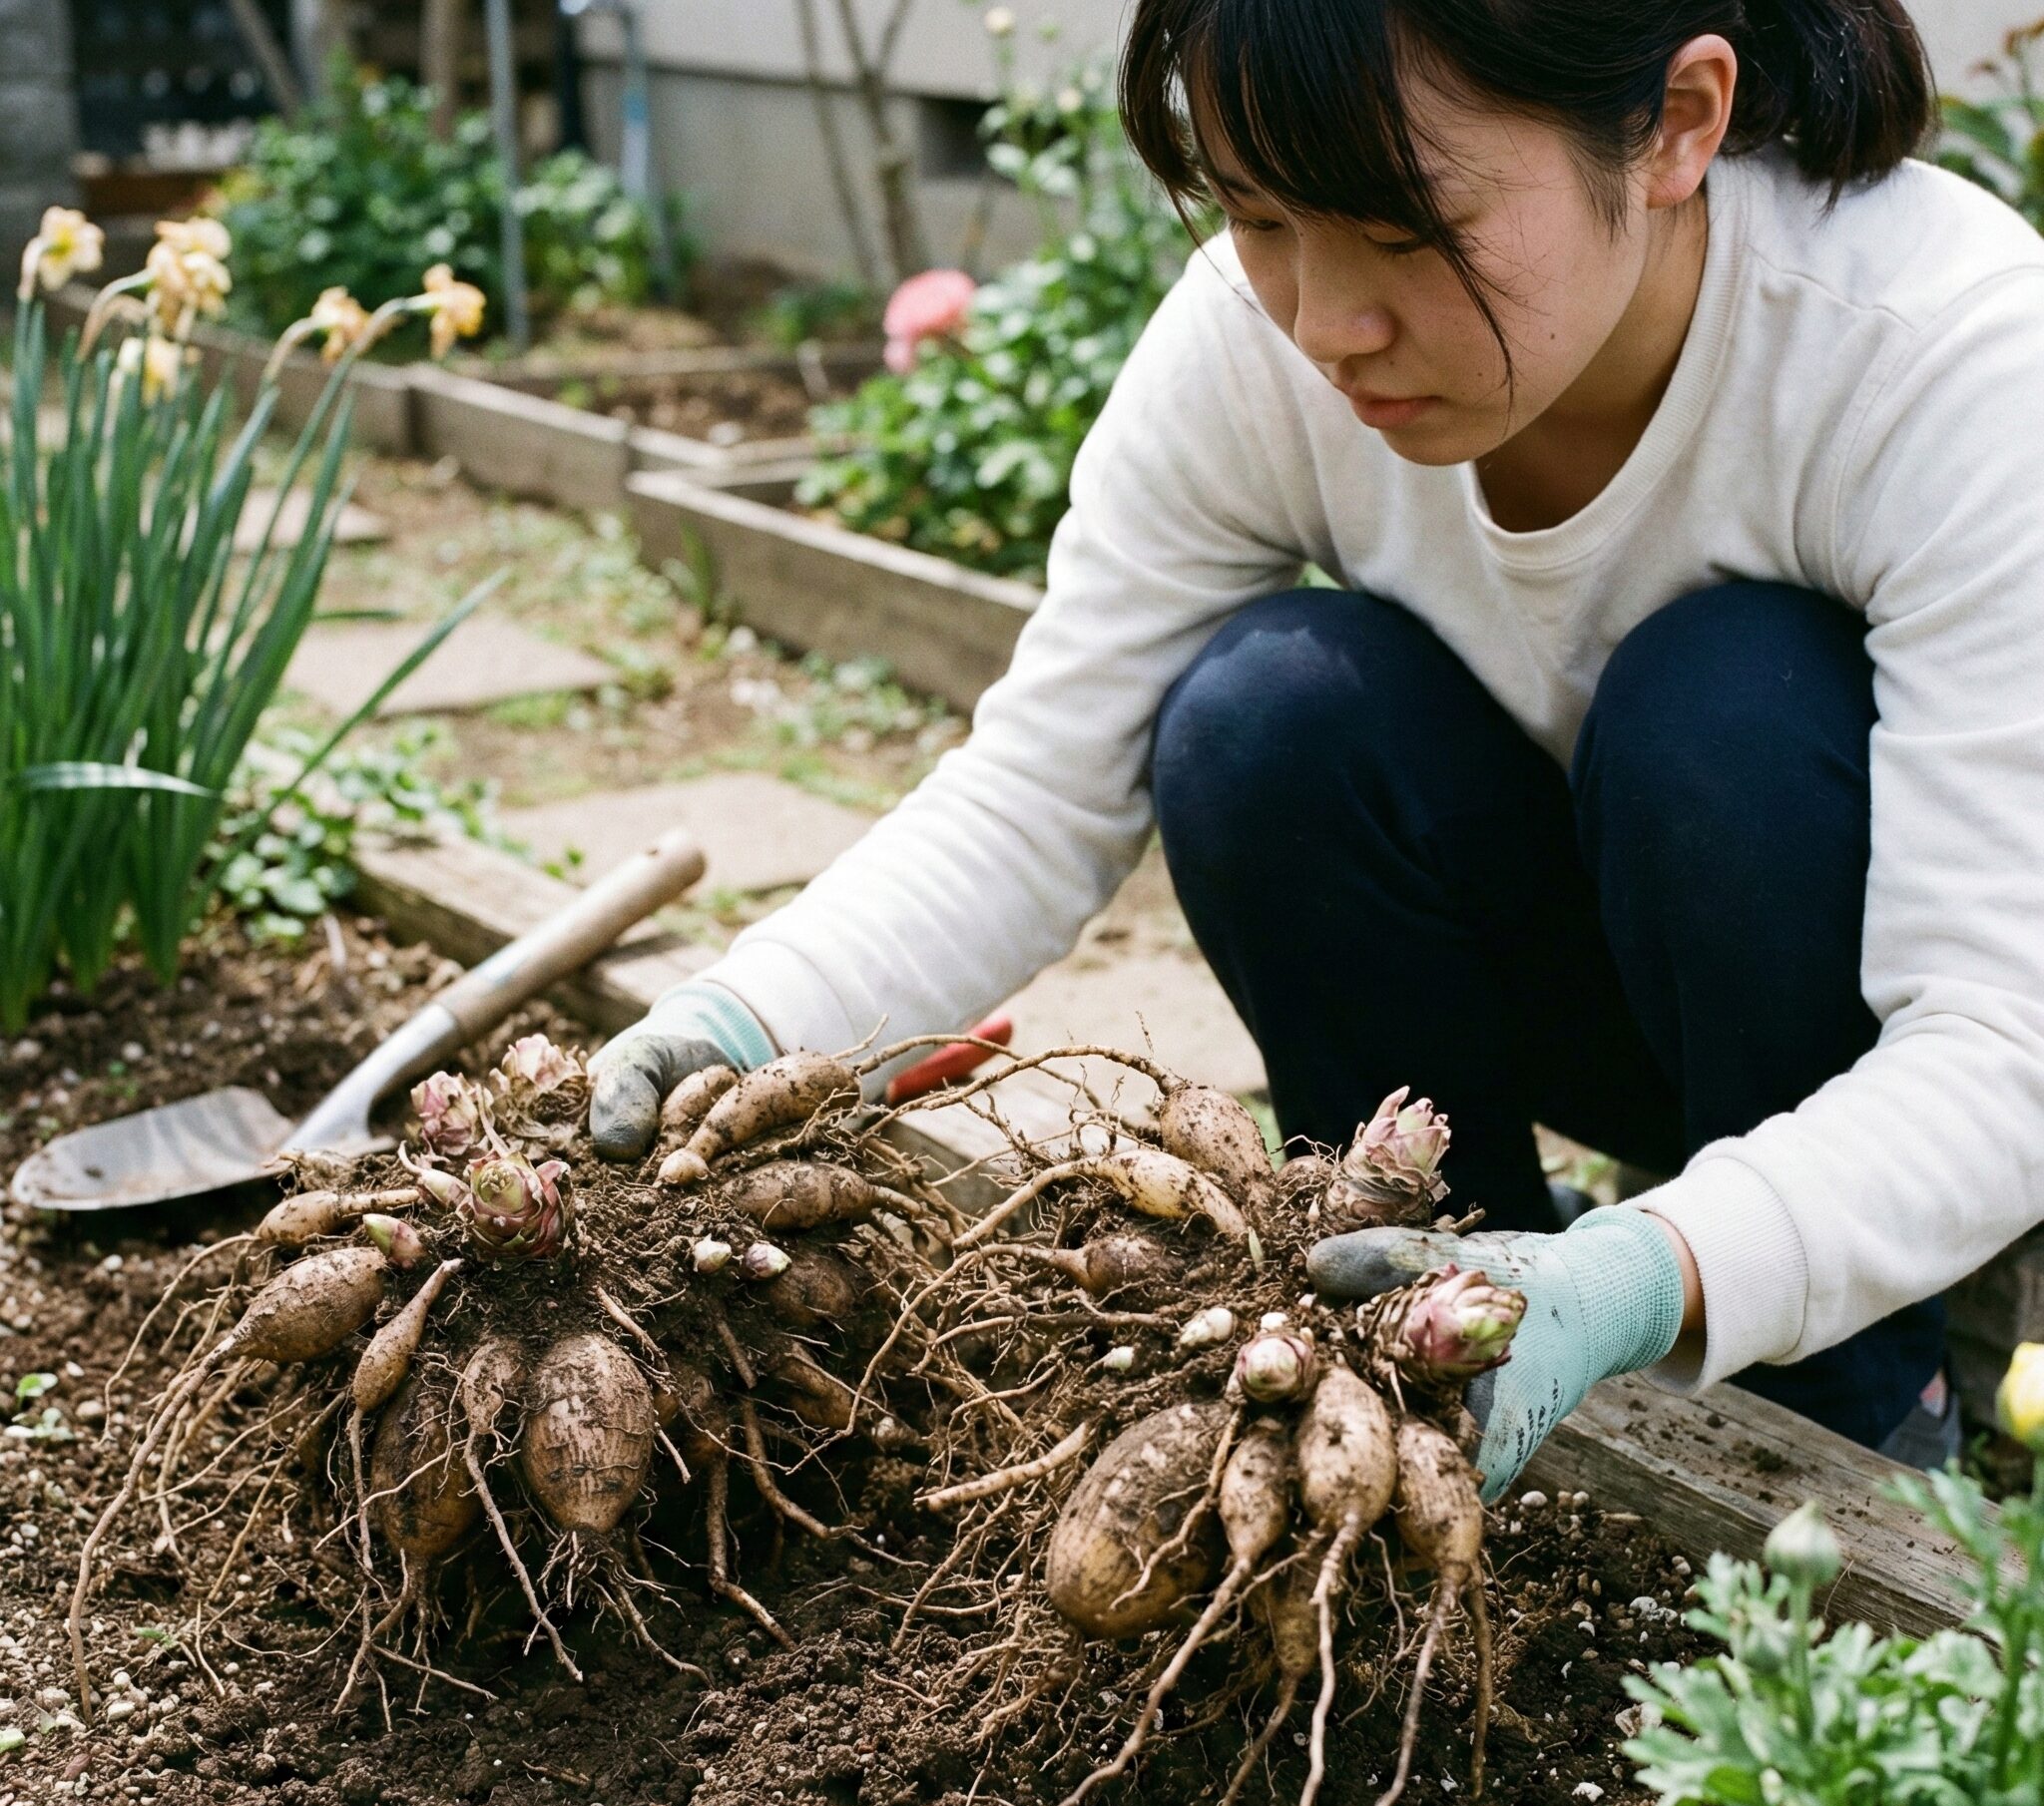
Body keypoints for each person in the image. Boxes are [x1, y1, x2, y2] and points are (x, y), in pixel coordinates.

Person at [589, 0, 2044, 1498]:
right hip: (1588, 985)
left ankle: (1861, 1400)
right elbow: (1036, 783)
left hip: (1842, 1031)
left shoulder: (1942, 356)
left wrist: (1651, 1265)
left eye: (1410, 230)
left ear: (1678, 124)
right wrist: (739, 1028)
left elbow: (2003, 1040)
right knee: (1265, 716)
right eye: (1260, 215)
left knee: (1725, 702)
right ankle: (1423, 1337)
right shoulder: (1251, 348)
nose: (1325, 322)